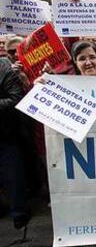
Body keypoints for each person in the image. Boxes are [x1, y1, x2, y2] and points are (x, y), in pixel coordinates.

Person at [0, 58, 30, 229]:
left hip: (5, 133)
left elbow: (16, 99)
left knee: (13, 175)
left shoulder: (4, 67)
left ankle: (19, 212)